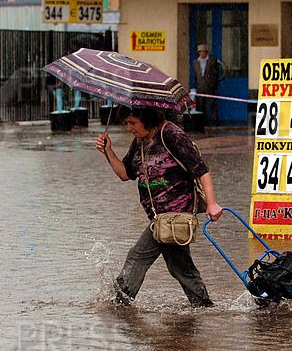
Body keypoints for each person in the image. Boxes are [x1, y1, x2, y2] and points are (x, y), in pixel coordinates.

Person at [95, 107, 224, 306]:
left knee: (137, 257)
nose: (128, 128)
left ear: (147, 119)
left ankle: (118, 304)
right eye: (126, 123)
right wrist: (108, 151)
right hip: (159, 218)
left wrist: (212, 203)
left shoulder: (171, 134)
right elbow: (125, 174)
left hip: (174, 216)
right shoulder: (140, 141)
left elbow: (201, 170)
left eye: (132, 122)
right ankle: (204, 307)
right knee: (180, 268)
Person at [193, 44, 222, 125]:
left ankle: (214, 121)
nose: (201, 53)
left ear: (206, 52)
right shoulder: (196, 62)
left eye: (203, 52)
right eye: (200, 52)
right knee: (201, 105)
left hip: (210, 87)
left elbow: (216, 74)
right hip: (200, 87)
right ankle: (203, 122)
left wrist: (214, 84)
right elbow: (195, 75)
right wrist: (196, 86)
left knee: (212, 104)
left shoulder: (212, 61)